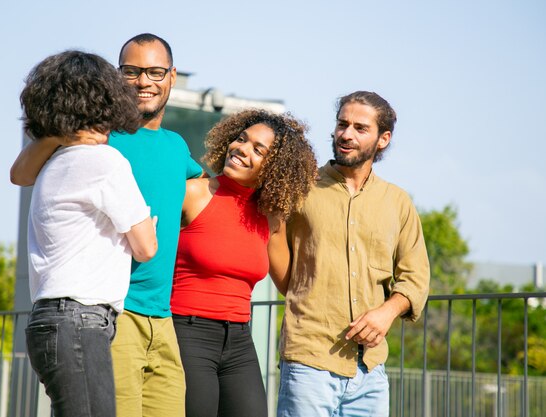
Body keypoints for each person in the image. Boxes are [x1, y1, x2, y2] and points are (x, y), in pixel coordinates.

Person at [10, 34, 204, 417]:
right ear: (117, 77)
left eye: (154, 71)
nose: (143, 81)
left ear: (172, 75)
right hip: (110, 312)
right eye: (131, 71)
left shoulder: (178, 147)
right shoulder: (94, 137)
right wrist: (62, 130)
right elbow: (20, 173)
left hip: (162, 318)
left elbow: (204, 197)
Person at [20, 50, 157, 417]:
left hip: (50, 319)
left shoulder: (53, 163)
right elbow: (146, 247)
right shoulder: (105, 162)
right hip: (81, 319)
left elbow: (18, 173)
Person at [277, 91, 430, 417]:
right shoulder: (301, 188)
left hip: (371, 369)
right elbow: (280, 262)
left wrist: (387, 312)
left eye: (360, 128)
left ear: (383, 139)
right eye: (342, 124)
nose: (346, 134)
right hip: (309, 359)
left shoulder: (398, 202)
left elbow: (416, 277)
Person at [171, 109, 318, 417]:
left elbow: (292, 284)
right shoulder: (193, 193)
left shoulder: (271, 217)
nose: (241, 149)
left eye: (257, 149)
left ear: (274, 168)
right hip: (187, 332)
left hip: (239, 341)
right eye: (241, 139)